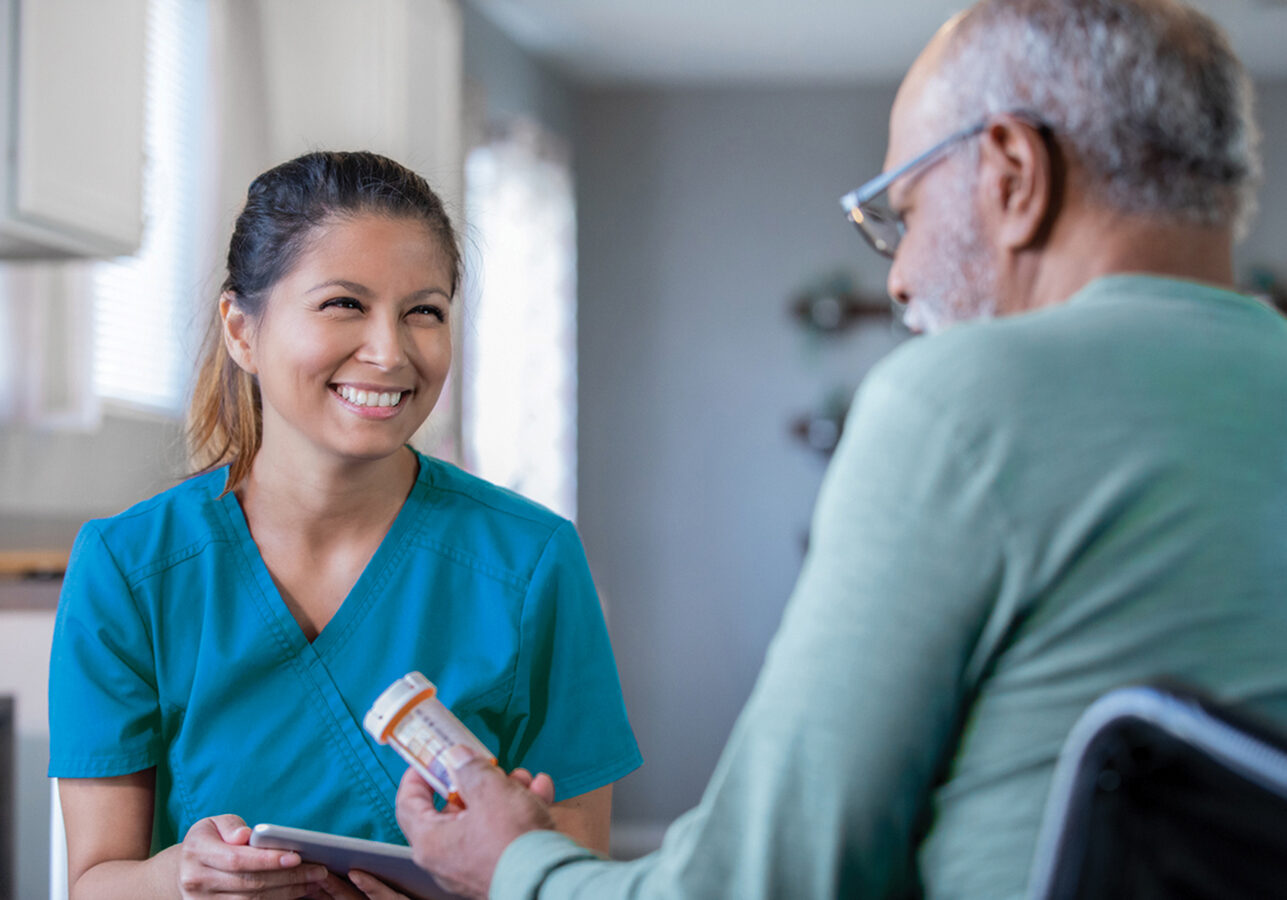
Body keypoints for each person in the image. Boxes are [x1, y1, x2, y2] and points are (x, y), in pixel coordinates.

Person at [391, 1, 1287, 898]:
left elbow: (763, 885)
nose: (896, 277)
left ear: (1013, 174)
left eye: (903, 213)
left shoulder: (965, 401)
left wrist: (516, 863)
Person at [47, 151, 641, 899]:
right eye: (343, 305)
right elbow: (95, 883)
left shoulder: (531, 562)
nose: (390, 352)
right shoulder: (130, 569)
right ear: (241, 329)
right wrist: (182, 877)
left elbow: (573, 879)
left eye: (423, 311)